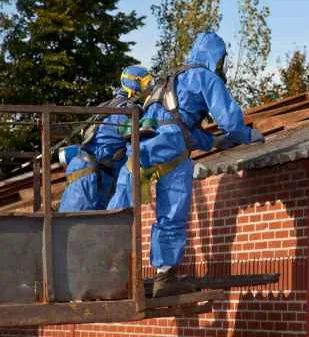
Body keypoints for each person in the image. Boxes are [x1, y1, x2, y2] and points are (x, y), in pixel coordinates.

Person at [108, 32, 264, 297]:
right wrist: (247, 135)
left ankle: (101, 268)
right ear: (216, 57)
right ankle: (165, 276)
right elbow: (230, 121)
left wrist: (212, 142)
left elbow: (175, 122)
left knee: (117, 214)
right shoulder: (206, 76)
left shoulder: (169, 80)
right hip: (172, 153)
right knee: (172, 212)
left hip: (140, 149)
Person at [58, 66, 153, 212]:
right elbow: (137, 144)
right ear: (135, 84)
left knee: (92, 228)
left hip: (94, 172)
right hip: (90, 175)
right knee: (75, 227)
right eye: (147, 83)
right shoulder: (128, 111)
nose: (149, 88)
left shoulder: (109, 105)